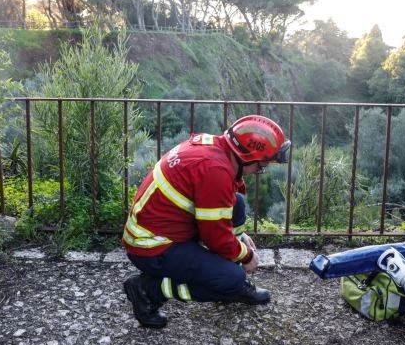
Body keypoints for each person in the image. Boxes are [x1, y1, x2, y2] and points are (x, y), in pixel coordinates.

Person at [122, 115, 291, 328]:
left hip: (161, 230)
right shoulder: (215, 171)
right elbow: (215, 238)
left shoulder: (214, 146)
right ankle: (148, 289)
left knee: (236, 202)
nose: (261, 170)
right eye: (262, 164)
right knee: (231, 279)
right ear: (246, 156)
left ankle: (226, 273)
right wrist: (246, 255)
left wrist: (239, 239)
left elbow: (219, 215)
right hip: (152, 247)